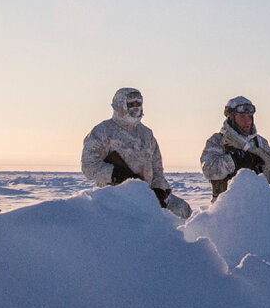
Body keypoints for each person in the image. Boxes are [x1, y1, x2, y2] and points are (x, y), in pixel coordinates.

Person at [81, 87, 192, 219]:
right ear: (120, 105)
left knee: (183, 211)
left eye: (138, 104)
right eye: (131, 104)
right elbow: (88, 165)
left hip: (148, 191)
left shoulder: (146, 134)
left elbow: (157, 168)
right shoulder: (103, 131)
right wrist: (115, 174)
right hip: (116, 195)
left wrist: (158, 190)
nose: (136, 107)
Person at [200, 96, 270, 199]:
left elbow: (267, 173)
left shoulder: (260, 142)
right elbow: (208, 170)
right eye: (242, 117)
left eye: (249, 117)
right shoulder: (217, 141)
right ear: (231, 118)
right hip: (226, 208)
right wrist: (234, 159)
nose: (247, 121)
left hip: (256, 204)